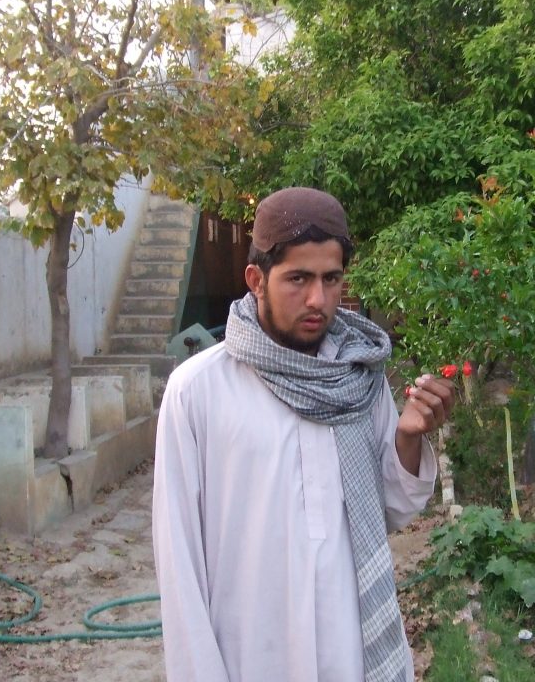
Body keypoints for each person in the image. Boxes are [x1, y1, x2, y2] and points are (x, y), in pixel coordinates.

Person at [151, 187, 455, 682]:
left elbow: (393, 511)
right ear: (256, 280)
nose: (318, 299)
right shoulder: (199, 391)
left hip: (350, 649)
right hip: (249, 653)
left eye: (330, 279)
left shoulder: (359, 377)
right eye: (298, 279)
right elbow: (179, 561)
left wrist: (408, 439)